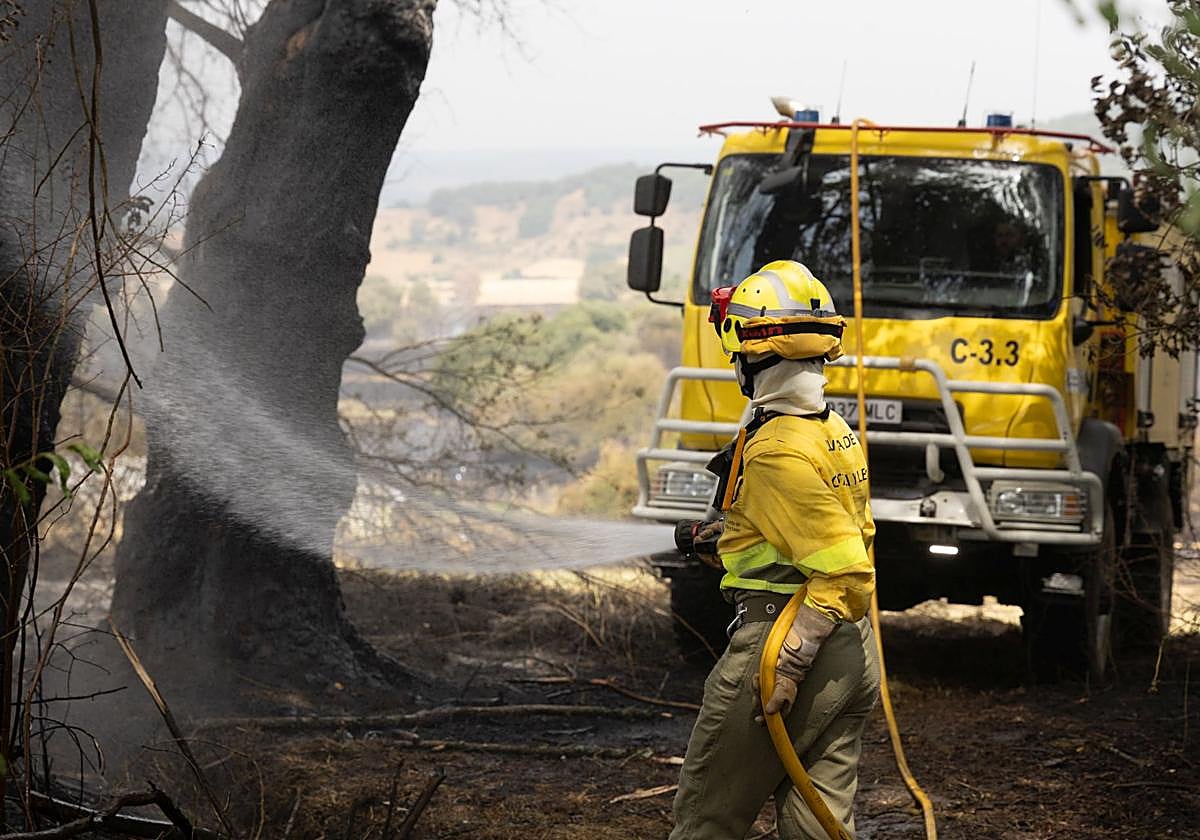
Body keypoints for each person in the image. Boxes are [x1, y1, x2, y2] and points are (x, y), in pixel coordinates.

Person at [669, 260, 880, 840]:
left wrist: (788, 664)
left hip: (782, 646)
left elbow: (844, 572)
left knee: (707, 820)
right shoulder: (832, 428)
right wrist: (729, 536)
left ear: (749, 354)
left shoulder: (776, 453)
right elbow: (814, 528)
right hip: (853, 656)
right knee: (819, 826)